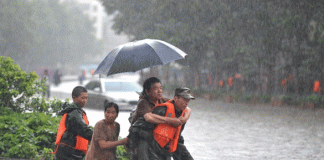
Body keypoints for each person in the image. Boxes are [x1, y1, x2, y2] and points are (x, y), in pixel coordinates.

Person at [128, 77, 191, 160]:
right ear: (147, 92)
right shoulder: (143, 103)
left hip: (157, 136)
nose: (159, 91)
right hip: (141, 136)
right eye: (155, 88)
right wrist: (171, 121)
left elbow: (187, 109)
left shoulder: (163, 101)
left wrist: (184, 119)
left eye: (160, 88)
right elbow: (149, 117)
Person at [53, 86, 93, 160]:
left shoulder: (76, 111)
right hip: (68, 152)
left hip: (70, 151)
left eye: (86, 98)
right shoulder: (74, 113)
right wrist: (98, 137)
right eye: (82, 98)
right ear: (74, 98)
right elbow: (84, 129)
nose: (85, 100)